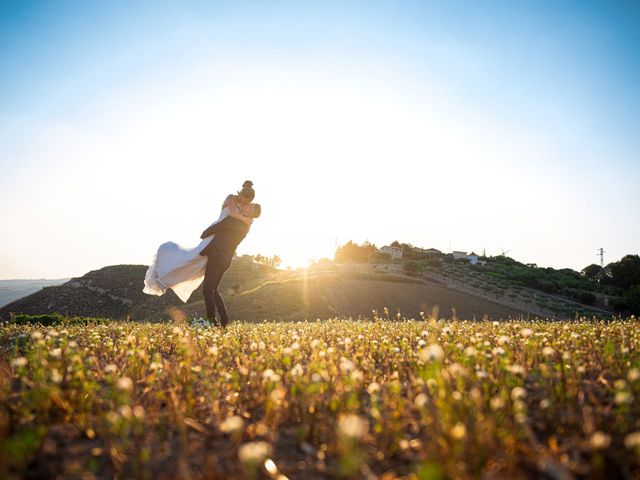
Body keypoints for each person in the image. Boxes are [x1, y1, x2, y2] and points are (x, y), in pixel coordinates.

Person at [142, 181, 260, 313]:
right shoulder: (231, 198)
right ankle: (165, 273)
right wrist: (245, 220)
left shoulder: (243, 214)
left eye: (248, 203)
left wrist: (247, 220)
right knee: (193, 259)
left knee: (198, 268)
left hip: (218, 244)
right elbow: (232, 213)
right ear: (242, 194)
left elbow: (234, 225)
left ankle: (215, 319)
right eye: (245, 201)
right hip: (214, 237)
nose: (246, 204)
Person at [199, 199, 261, 327]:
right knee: (214, 289)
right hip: (226, 260)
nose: (247, 205)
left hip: (217, 257)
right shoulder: (245, 225)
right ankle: (224, 319)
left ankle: (211, 322)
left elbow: (213, 229)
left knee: (207, 290)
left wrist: (205, 234)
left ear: (250, 213)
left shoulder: (235, 221)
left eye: (250, 206)